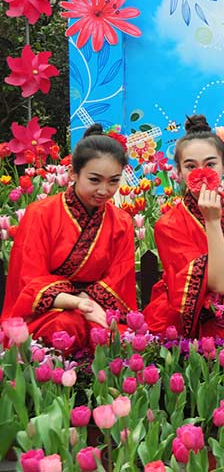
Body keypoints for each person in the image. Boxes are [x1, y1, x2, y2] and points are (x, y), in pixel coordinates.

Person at [2, 125, 136, 351]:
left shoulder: (122, 221)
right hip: (48, 310)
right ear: (73, 173)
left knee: (113, 335)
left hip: (97, 304)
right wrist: (76, 303)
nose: (104, 190)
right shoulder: (40, 213)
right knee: (67, 327)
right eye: (95, 180)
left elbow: (118, 277)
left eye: (113, 181)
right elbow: (30, 278)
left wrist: (89, 305)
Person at [144, 115, 224, 338]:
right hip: (188, 314)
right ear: (178, 172)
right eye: (190, 166)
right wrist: (212, 221)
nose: (202, 173)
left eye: (210, 164)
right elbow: (217, 286)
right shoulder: (168, 225)